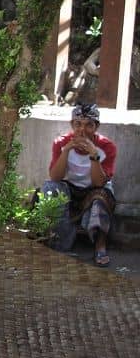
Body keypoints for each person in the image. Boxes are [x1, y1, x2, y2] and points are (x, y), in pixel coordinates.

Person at [42, 103, 117, 266]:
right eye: (78, 124)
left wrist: (94, 154)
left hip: (94, 189)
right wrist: (66, 151)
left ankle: (100, 245)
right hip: (69, 187)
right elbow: (55, 177)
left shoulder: (107, 147)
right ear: (72, 125)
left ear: (96, 127)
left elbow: (99, 183)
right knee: (49, 189)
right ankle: (57, 240)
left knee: (101, 198)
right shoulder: (61, 143)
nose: (82, 130)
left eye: (89, 125)